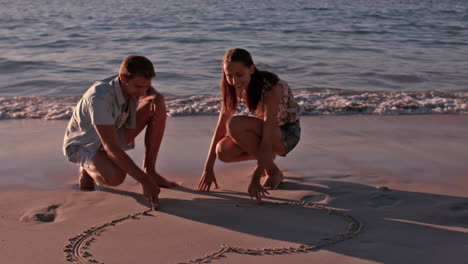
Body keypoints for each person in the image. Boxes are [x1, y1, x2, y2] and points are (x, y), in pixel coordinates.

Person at [63, 55, 177, 208]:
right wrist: (144, 181)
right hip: (84, 144)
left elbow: (148, 91)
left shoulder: (135, 86)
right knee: (115, 177)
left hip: (113, 131)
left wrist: (153, 95)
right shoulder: (100, 97)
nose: (142, 92)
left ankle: (150, 170)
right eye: (138, 87)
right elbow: (111, 147)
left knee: (157, 102)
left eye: (146, 86)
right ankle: (86, 169)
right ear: (123, 78)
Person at [198, 48, 300, 201]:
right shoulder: (234, 89)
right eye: (229, 76)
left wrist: (257, 175)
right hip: (269, 132)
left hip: (287, 135)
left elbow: (267, 134)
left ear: (251, 69)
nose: (234, 81)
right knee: (223, 151)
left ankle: (273, 172)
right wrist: (208, 169)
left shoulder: (271, 89)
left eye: (239, 75)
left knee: (234, 124)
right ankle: (268, 160)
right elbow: (219, 129)